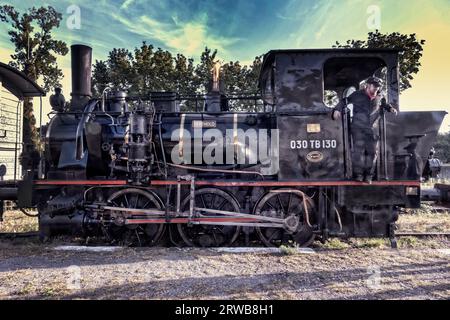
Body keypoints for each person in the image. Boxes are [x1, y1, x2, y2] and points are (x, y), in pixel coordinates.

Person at [332, 77, 398, 183]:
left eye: (378, 86)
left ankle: (368, 176)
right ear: (367, 85)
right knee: (358, 152)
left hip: (372, 129)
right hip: (358, 127)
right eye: (374, 86)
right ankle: (358, 175)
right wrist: (336, 109)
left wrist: (390, 108)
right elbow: (344, 101)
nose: (376, 88)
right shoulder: (357, 95)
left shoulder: (380, 95)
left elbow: (385, 104)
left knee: (372, 153)